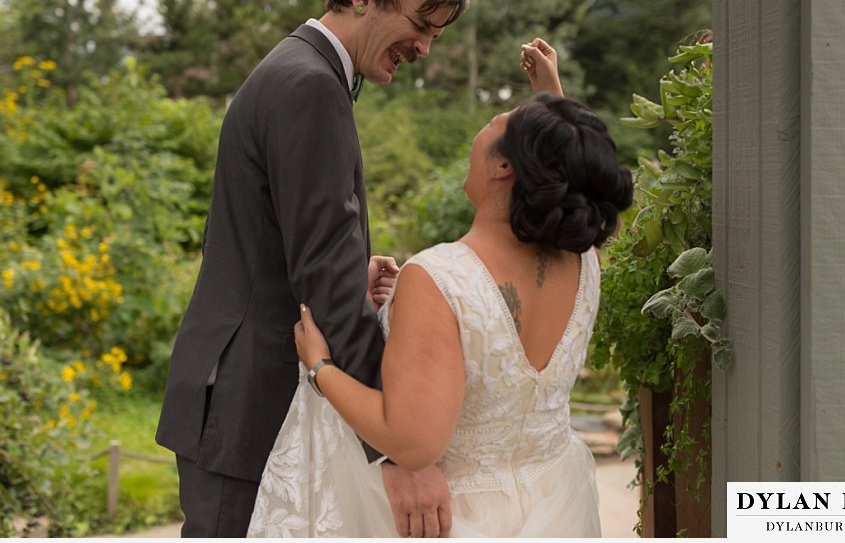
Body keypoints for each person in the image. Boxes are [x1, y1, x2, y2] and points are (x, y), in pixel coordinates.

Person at [247, 38, 635, 538]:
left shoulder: (438, 278)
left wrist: (322, 368)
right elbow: (578, 180)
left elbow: (411, 445)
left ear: (503, 167)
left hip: (457, 516)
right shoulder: (582, 261)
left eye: (495, 124)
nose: (484, 128)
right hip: (552, 504)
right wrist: (552, 98)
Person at [155, 0, 469, 538]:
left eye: (435, 33)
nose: (426, 48)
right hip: (247, 400)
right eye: (421, 23)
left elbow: (259, 237)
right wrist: (397, 445)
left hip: (232, 392)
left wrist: (353, 271)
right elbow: (321, 270)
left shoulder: (290, 67)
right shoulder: (311, 87)